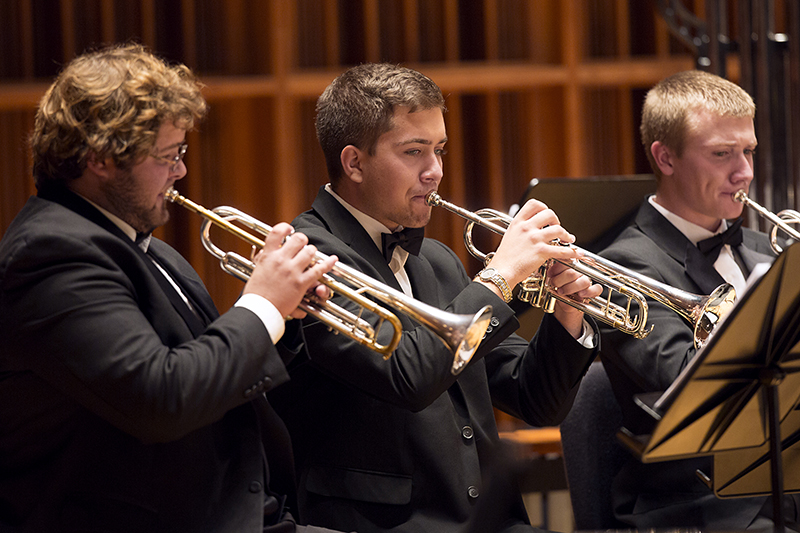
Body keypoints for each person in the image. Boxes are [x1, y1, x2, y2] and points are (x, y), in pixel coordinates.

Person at [0, 43, 344, 533]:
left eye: (180, 153)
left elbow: (207, 376)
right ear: (99, 157)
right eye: (167, 156)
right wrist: (261, 305)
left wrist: (284, 317)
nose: (180, 171)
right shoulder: (51, 255)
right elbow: (162, 397)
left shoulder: (148, 248)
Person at [268, 63, 602, 533]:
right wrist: (500, 276)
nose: (435, 172)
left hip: (488, 520)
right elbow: (407, 376)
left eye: (440, 150)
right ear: (354, 163)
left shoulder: (439, 263)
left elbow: (535, 399)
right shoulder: (309, 257)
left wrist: (567, 314)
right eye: (414, 152)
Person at [598, 69, 799, 529]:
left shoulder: (757, 248)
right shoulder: (626, 265)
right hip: (697, 504)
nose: (744, 171)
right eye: (721, 154)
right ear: (665, 158)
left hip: (782, 489)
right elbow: (690, 383)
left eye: (748, 151)